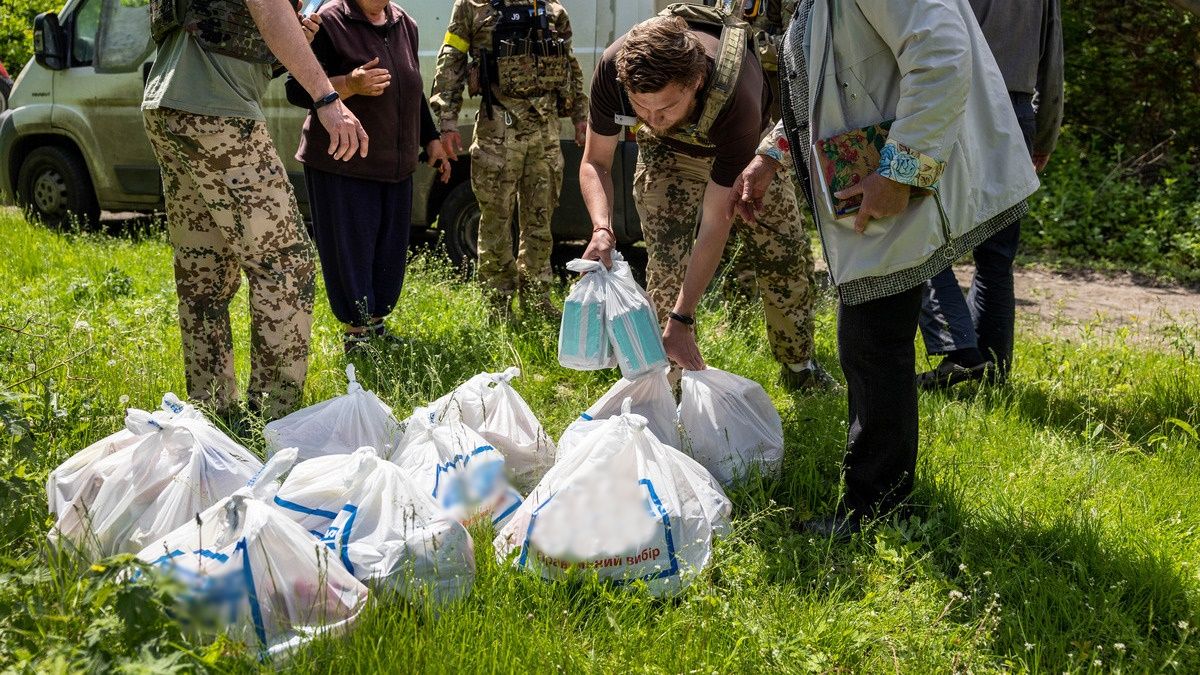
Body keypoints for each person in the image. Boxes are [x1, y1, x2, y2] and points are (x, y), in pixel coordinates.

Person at [731, 0, 1039, 535]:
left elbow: (942, 54)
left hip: (891, 180)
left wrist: (901, 172)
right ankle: (881, 502)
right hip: (871, 180)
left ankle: (876, 509)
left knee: (873, 345)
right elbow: (827, 83)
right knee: (872, 341)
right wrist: (771, 152)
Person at [579, 11, 832, 391]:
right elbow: (595, 161)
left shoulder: (737, 97)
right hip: (666, 155)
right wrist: (602, 228)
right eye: (641, 108)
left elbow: (716, 222)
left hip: (744, 151)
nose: (652, 116)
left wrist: (684, 317)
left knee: (783, 254)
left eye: (664, 107)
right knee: (666, 267)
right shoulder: (614, 70)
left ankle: (800, 367)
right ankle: (667, 385)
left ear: (695, 82)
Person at [142, 0, 368, 420]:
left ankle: (213, 415)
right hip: (217, 112)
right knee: (286, 266)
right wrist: (327, 97)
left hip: (168, 104)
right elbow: (265, 6)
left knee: (204, 272)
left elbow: (226, 31)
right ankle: (273, 422)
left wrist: (293, 39)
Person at [285, 0, 452, 354]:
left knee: (387, 250)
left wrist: (431, 139)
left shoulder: (404, 22)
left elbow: (412, 88)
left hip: (395, 164)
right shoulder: (329, 20)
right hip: (343, 162)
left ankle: (375, 324)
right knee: (351, 249)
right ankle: (355, 332)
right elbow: (297, 89)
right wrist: (350, 83)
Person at [916, 0, 1064, 389]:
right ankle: (992, 375)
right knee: (996, 258)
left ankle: (960, 353)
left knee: (918, 234)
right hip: (1017, 112)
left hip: (958, 104)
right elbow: (1054, 62)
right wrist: (1045, 131)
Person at [430, 0, 588, 316]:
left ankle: (537, 300)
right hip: (498, 129)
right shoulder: (472, 7)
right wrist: (446, 120)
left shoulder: (552, 9)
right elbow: (452, 59)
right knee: (495, 219)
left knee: (540, 219)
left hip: (545, 131)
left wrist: (581, 115)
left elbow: (567, 63)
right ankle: (498, 305)